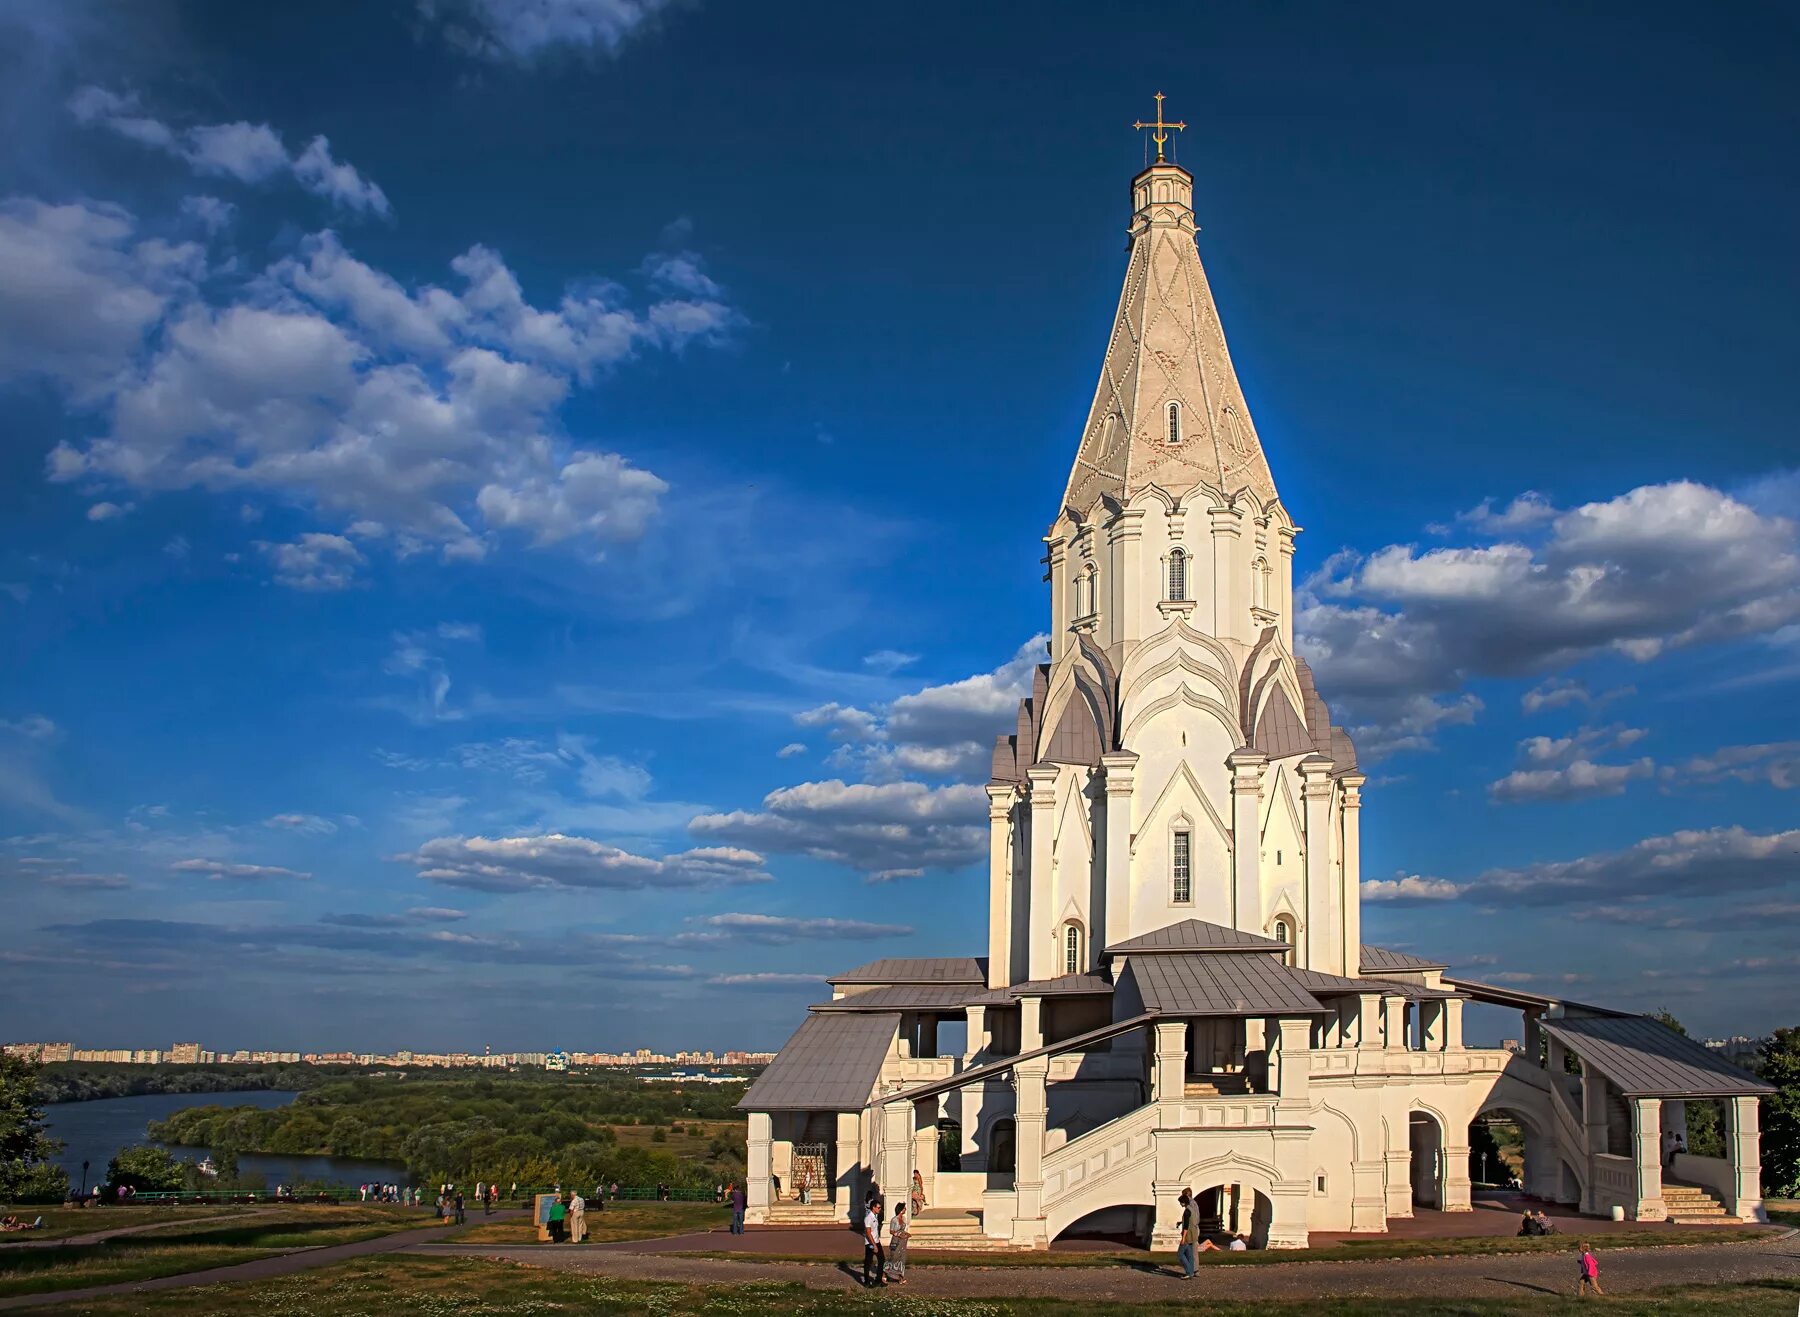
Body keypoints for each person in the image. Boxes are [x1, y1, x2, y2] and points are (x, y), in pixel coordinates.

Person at [861, 1197, 885, 1287]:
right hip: (870, 1243)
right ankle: (866, 1282)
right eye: (878, 1208)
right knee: (868, 1261)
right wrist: (874, 1245)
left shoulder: (875, 1216)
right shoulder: (868, 1218)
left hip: (876, 1241)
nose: (880, 1209)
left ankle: (878, 1280)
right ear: (873, 1208)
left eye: (880, 1208)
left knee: (882, 1260)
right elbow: (868, 1232)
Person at [1175, 1187, 1198, 1278]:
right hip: (1193, 1234)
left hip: (1188, 1235)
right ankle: (1191, 1271)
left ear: (1183, 1202)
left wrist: (1183, 1238)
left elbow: (1186, 1226)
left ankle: (1189, 1271)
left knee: (1180, 1254)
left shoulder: (1186, 1211)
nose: (1180, 1204)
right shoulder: (1192, 1209)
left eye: (1180, 1202)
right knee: (1189, 1254)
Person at [887, 1203, 909, 1283]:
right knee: (893, 1258)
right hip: (895, 1241)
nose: (905, 1210)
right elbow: (891, 1231)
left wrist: (905, 1234)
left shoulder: (903, 1218)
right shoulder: (894, 1220)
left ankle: (901, 1277)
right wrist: (898, 1234)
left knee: (902, 1259)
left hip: (902, 1242)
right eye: (904, 1208)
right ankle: (885, 1273)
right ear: (900, 1210)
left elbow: (903, 1229)